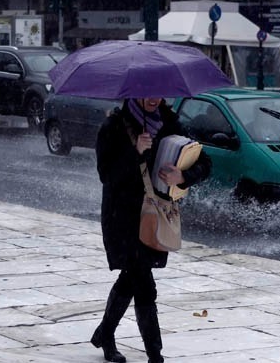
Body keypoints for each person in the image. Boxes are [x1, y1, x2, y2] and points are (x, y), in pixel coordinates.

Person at [93, 97, 212, 363]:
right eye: (146, 90)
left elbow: (205, 161)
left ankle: (105, 333)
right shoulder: (113, 126)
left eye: (158, 91)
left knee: (132, 277)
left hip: (154, 214)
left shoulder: (171, 124)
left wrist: (183, 177)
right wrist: (134, 151)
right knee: (143, 283)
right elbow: (107, 175)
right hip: (121, 217)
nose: (153, 97)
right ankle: (154, 354)